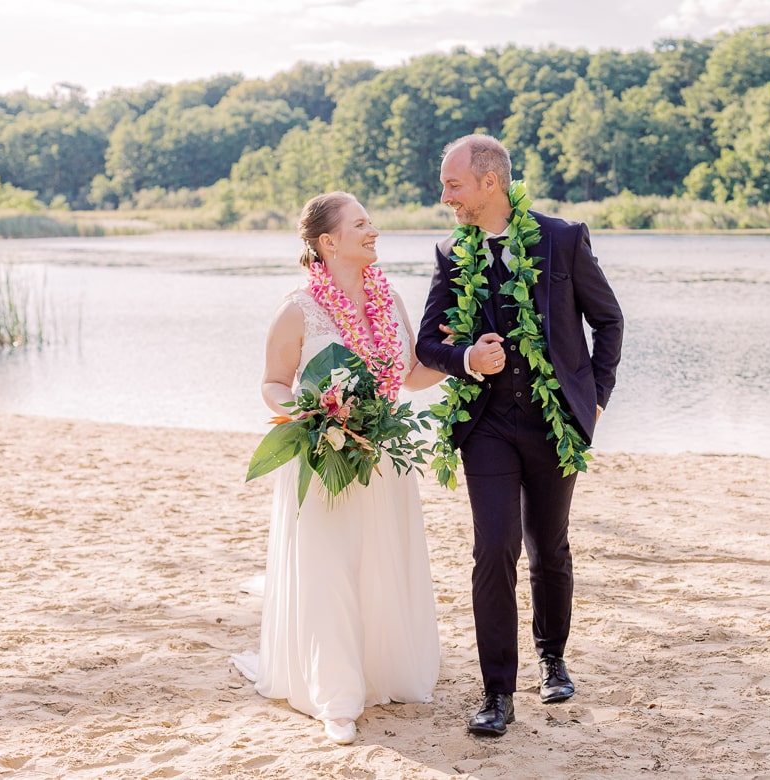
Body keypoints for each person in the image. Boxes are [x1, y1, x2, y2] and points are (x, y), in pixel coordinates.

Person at [415, 134, 623, 736]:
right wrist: (467, 360)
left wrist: (598, 398)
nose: (445, 194)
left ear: (490, 182)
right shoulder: (452, 253)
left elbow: (607, 321)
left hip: (553, 422)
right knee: (494, 547)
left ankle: (552, 658)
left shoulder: (562, 238)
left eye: (453, 183)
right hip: (488, 426)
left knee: (548, 546)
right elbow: (429, 344)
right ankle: (496, 691)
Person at [233, 192, 445, 745]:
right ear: (328, 242)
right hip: (323, 455)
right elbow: (272, 382)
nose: (373, 231)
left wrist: (462, 363)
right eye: (360, 224)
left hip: (384, 459)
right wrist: (314, 413)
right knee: (328, 570)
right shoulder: (298, 307)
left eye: (370, 222)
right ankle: (335, 694)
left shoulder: (391, 298)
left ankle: (379, 673)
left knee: (379, 563)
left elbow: (412, 372)